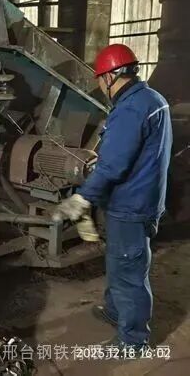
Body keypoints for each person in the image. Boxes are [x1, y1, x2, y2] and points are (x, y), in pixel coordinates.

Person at [53, 44, 172, 349]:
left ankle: (133, 340)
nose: (101, 87)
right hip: (143, 198)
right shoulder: (153, 99)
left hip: (130, 205)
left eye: (100, 80)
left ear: (110, 76)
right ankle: (116, 311)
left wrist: (83, 198)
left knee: (129, 272)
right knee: (120, 263)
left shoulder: (130, 109)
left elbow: (113, 165)